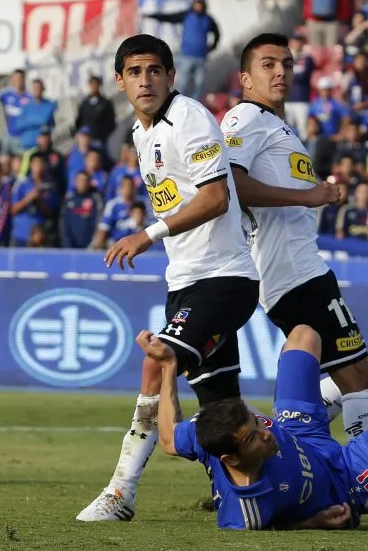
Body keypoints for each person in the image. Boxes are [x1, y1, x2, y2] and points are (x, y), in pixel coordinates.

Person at [220, 33, 368, 523]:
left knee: (354, 375)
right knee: (356, 374)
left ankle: (283, 442)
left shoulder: (280, 128)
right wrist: (308, 197)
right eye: (267, 64)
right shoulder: (245, 118)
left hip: (302, 269)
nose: (280, 71)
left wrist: (315, 194)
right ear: (245, 78)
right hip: (291, 274)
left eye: (286, 63)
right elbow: (231, 185)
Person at [77, 34, 260, 523]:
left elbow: (216, 198)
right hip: (186, 281)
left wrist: (148, 234)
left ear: (171, 76)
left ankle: (121, 492)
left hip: (224, 278)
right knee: (222, 408)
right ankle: (247, 491)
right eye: (135, 72)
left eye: (154, 71)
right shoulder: (141, 133)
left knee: (157, 361)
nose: (145, 80)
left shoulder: (190, 117)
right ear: (120, 81)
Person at [140, 289, 368, 530]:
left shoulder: (209, 433)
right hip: (344, 480)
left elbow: (168, 439)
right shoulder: (247, 509)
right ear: (230, 458)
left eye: (257, 422)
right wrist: (313, 522)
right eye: (252, 437)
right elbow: (274, 526)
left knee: (304, 335)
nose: (266, 432)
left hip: (298, 429)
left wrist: (168, 366)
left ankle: (354, 378)